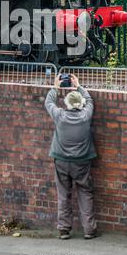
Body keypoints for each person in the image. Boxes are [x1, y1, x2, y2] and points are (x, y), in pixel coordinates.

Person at [45, 73, 98, 240]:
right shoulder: (85, 115)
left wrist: (55, 87)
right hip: (82, 162)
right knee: (85, 193)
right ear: (80, 104)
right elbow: (89, 101)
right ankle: (89, 230)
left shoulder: (60, 116)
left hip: (61, 161)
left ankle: (64, 229)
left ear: (67, 103)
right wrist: (79, 86)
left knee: (63, 194)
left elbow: (48, 102)